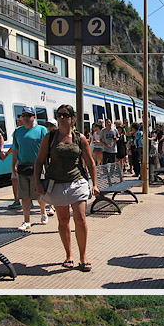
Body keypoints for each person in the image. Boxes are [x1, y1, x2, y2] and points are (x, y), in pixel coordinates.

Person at [33, 104, 99, 272]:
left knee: (80, 218)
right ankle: (69, 255)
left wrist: (95, 184)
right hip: (56, 183)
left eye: (65, 115)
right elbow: (39, 161)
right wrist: (38, 183)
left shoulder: (80, 138)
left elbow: (90, 163)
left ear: (72, 119)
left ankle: (83, 257)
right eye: (59, 115)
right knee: (63, 220)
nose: (61, 118)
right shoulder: (50, 138)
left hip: (77, 182)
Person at [9, 106, 49, 231]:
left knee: (39, 194)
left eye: (28, 115)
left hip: (37, 165)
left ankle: (43, 211)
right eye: (23, 116)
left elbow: (47, 149)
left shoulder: (41, 130)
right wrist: (13, 164)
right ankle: (26, 221)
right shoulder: (18, 132)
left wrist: (47, 165)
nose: (26, 118)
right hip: (23, 166)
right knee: (24, 196)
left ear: (34, 117)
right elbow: (15, 149)